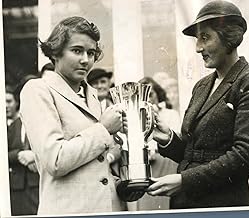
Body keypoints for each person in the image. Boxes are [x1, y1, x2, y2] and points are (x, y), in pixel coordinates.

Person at [147, 0, 249, 209]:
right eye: (198, 39)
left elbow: (247, 156)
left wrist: (185, 181)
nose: (198, 48)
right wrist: (167, 138)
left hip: (223, 204)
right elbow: (193, 153)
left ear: (230, 38)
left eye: (205, 37)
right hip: (184, 204)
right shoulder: (202, 85)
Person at [19, 16, 126, 215]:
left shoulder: (91, 94)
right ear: (55, 52)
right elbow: (55, 160)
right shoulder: (38, 90)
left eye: (91, 53)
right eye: (77, 50)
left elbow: (95, 163)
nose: (86, 60)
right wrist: (103, 129)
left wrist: (120, 186)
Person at [134, 77, 180, 211]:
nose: (148, 98)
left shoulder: (170, 114)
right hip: (146, 162)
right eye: (143, 95)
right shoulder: (135, 118)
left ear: (157, 94)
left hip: (165, 160)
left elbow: (174, 137)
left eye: (151, 94)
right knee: (147, 202)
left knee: (164, 200)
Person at [7, 83, 39, 215]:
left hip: (37, 183)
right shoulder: (14, 125)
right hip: (17, 187)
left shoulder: (44, 122)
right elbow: (4, 154)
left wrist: (35, 156)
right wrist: (19, 154)